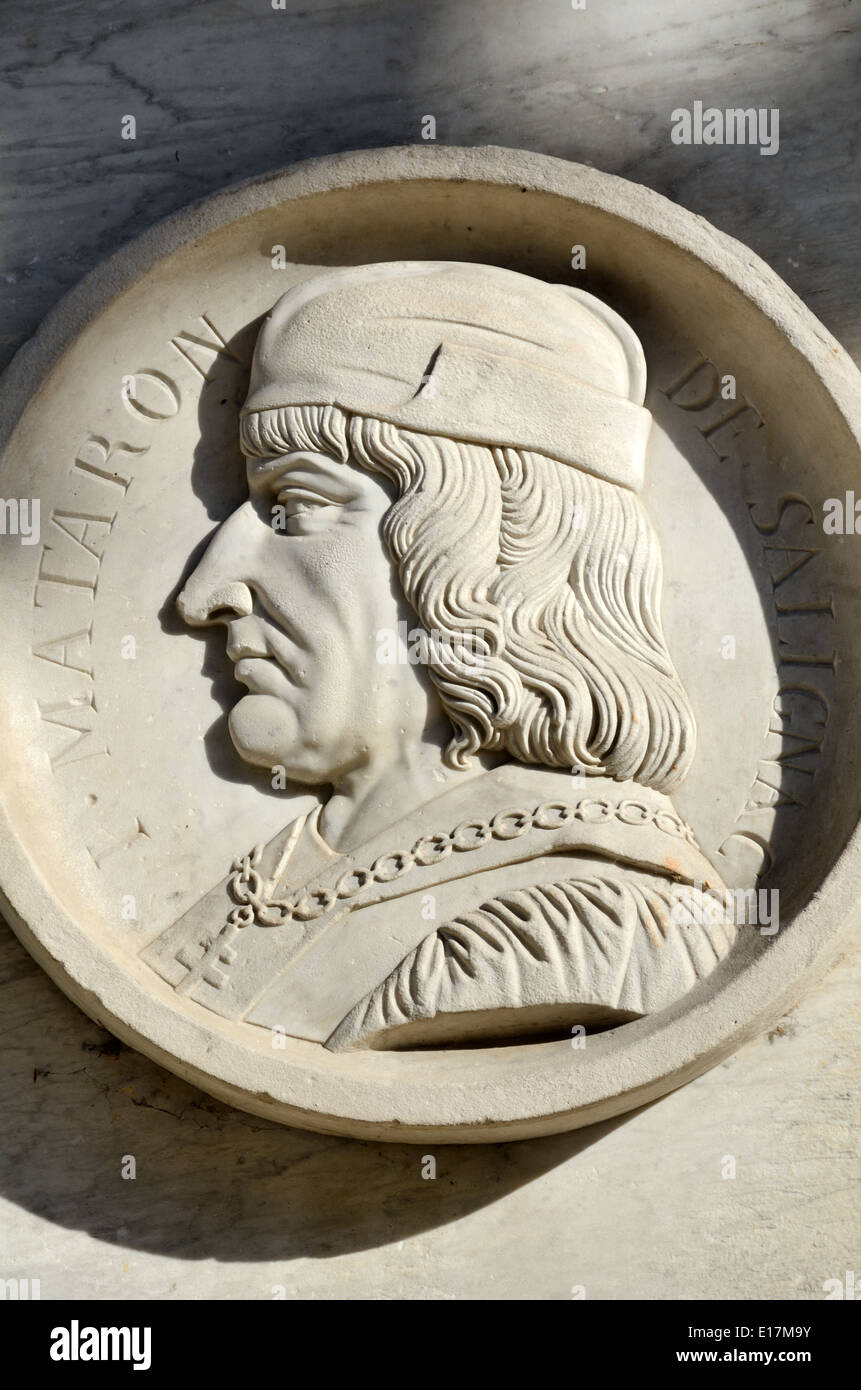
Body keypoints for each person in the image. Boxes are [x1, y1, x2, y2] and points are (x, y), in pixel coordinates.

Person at [143, 261, 734, 1050]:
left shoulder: (594, 927)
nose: (206, 594)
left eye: (294, 507)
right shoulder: (277, 878)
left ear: (481, 557)